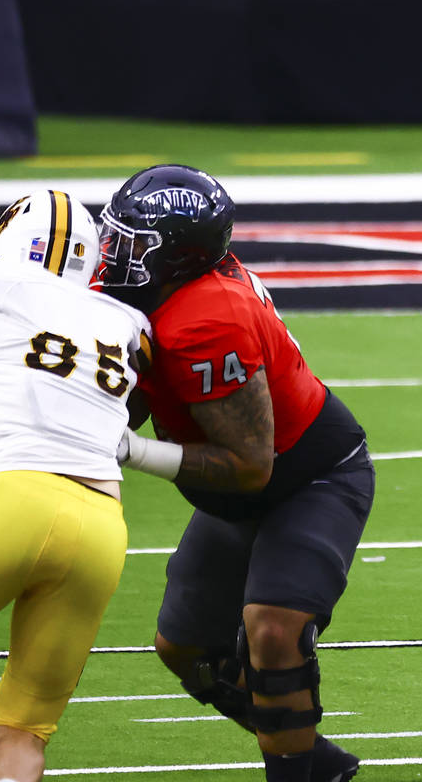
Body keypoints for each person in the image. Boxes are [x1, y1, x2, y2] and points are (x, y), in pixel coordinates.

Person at [97, 164, 373, 782]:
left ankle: (292, 769)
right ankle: (311, 758)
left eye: (131, 242)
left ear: (177, 256)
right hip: (231, 495)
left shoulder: (205, 316)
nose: (112, 252)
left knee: (274, 632)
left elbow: (250, 466)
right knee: (185, 650)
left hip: (309, 478)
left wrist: (127, 448)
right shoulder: (164, 285)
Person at [0, 190, 150, 782]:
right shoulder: (126, 323)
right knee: (22, 730)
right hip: (101, 527)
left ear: (9, 239)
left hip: (18, 499)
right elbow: (130, 406)